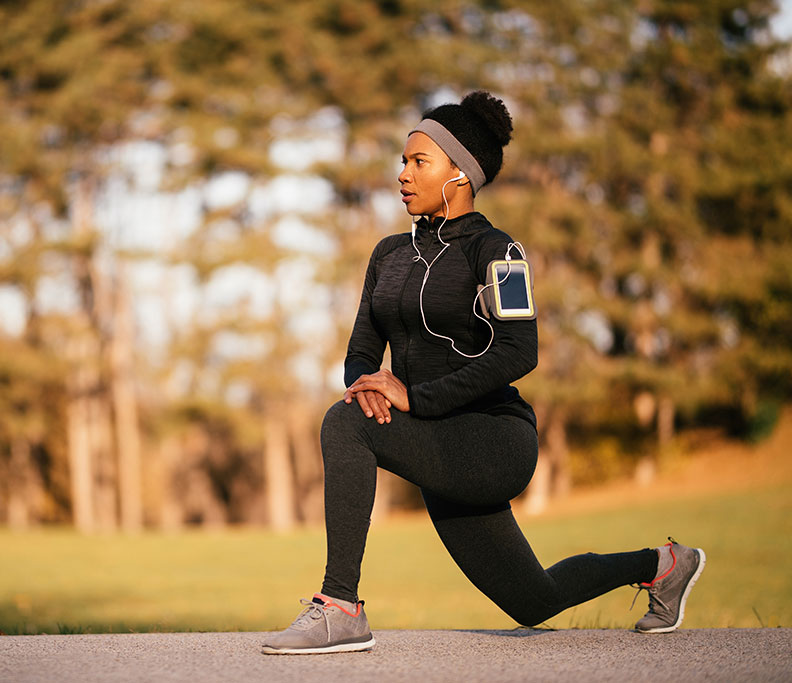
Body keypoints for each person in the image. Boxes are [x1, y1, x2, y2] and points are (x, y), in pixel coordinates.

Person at [261, 91, 705, 655]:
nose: (402, 174)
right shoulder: (388, 255)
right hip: (438, 444)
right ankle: (664, 565)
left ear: (460, 173)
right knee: (533, 600)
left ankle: (340, 607)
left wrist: (411, 398)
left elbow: (520, 351)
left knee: (344, 425)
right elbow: (362, 347)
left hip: (494, 441)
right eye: (403, 161)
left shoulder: (499, 252)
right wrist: (366, 386)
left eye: (419, 162)